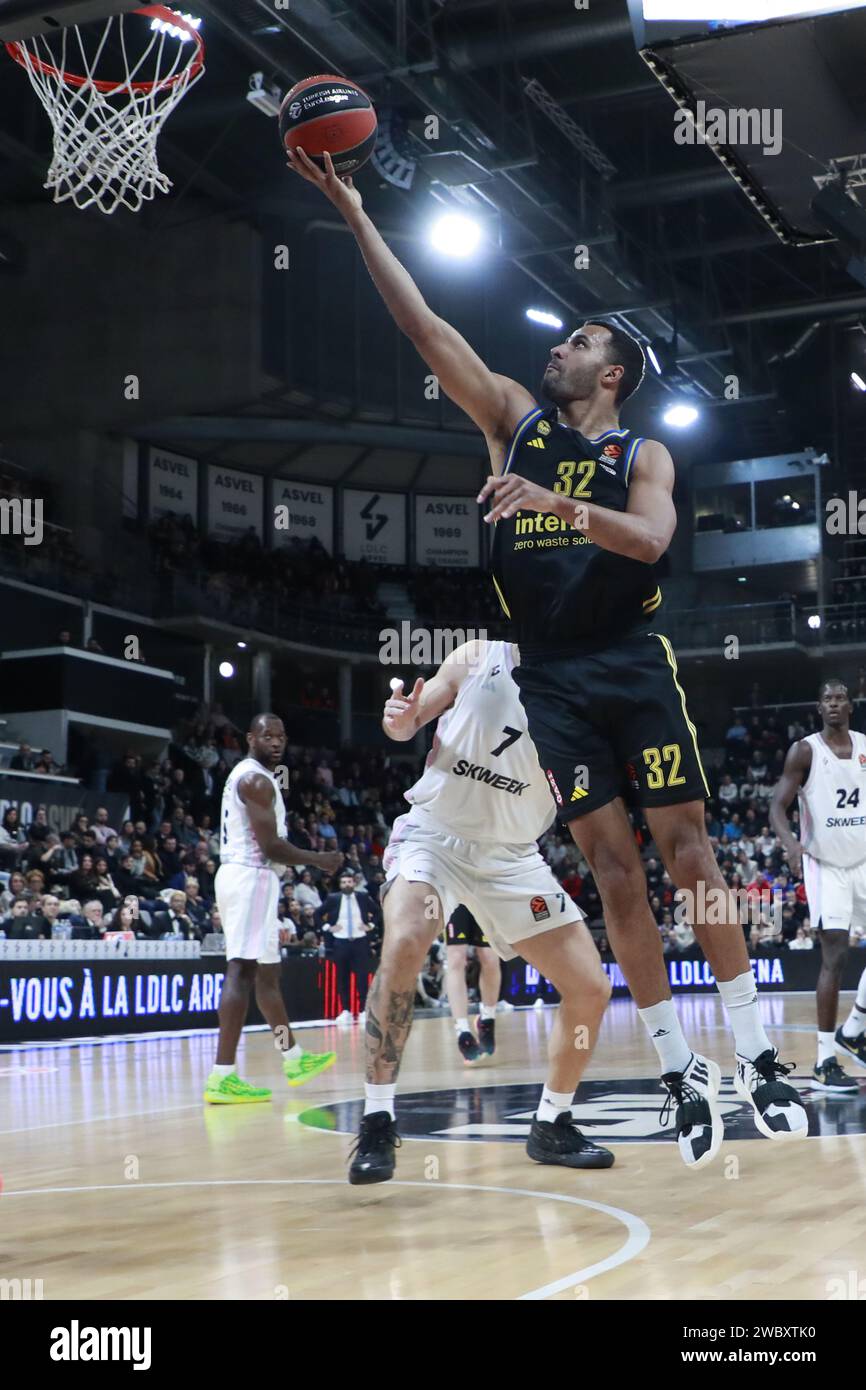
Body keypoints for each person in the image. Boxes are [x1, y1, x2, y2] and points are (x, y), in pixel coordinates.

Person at [287, 146, 807, 1162]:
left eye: (577, 341)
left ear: (608, 373)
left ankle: (756, 1048)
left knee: (687, 855)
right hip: (553, 677)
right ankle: (673, 1065)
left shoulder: (636, 453)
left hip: (627, 658)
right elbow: (423, 327)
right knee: (613, 871)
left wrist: (558, 504)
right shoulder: (511, 426)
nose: (556, 348)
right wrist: (354, 214)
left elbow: (650, 542)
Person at [348, 639, 613, 1185]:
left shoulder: (587, 687)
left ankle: (552, 1124)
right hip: (435, 836)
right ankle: (376, 1117)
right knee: (404, 942)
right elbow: (410, 721)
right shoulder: (477, 656)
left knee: (590, 986)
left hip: (512, 857)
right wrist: (401, 719)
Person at [204, 713, 340, 1104]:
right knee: (242, 968)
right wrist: (320, 859)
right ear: (251, 738)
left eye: (281, 736)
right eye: (268, 736)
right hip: (249, 875)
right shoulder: (255, 780)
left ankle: (293, 1057)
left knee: (267, 974)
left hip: (256, 879)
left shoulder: (256, 777)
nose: (277, 742)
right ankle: (222, 1075)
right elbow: (271, 847)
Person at [770, 679, 866, 1092]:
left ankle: (855, 1028)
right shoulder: (805, 750)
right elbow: (777, 804)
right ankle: (826, 1059)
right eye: (826, 699)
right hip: (825, 865)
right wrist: (791, 845)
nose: (833, 704)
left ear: (850, 705)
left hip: (863, 859)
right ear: (818, 707)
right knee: (835, 956)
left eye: (839, 698)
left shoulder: (864, 745)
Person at [317, 870, 379, 1025]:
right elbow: (317, 914)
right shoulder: (333, 898)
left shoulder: (362, 897)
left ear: (354, 883)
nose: (347, 885)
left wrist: (370, 925)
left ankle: (364, 1010)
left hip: (360, 941)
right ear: (340, 885)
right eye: (344, 882)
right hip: (340, 942)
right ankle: (346, 1010)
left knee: (362, 977)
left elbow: (377, 912)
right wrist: (327, 927)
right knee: (342, 977)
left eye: (349, 882)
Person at [444, 904, 501, 1062]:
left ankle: (487, 1019)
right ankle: (462, 1030)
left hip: (482, 892)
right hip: (454, 894)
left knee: (490, 957)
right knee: (456, 958)